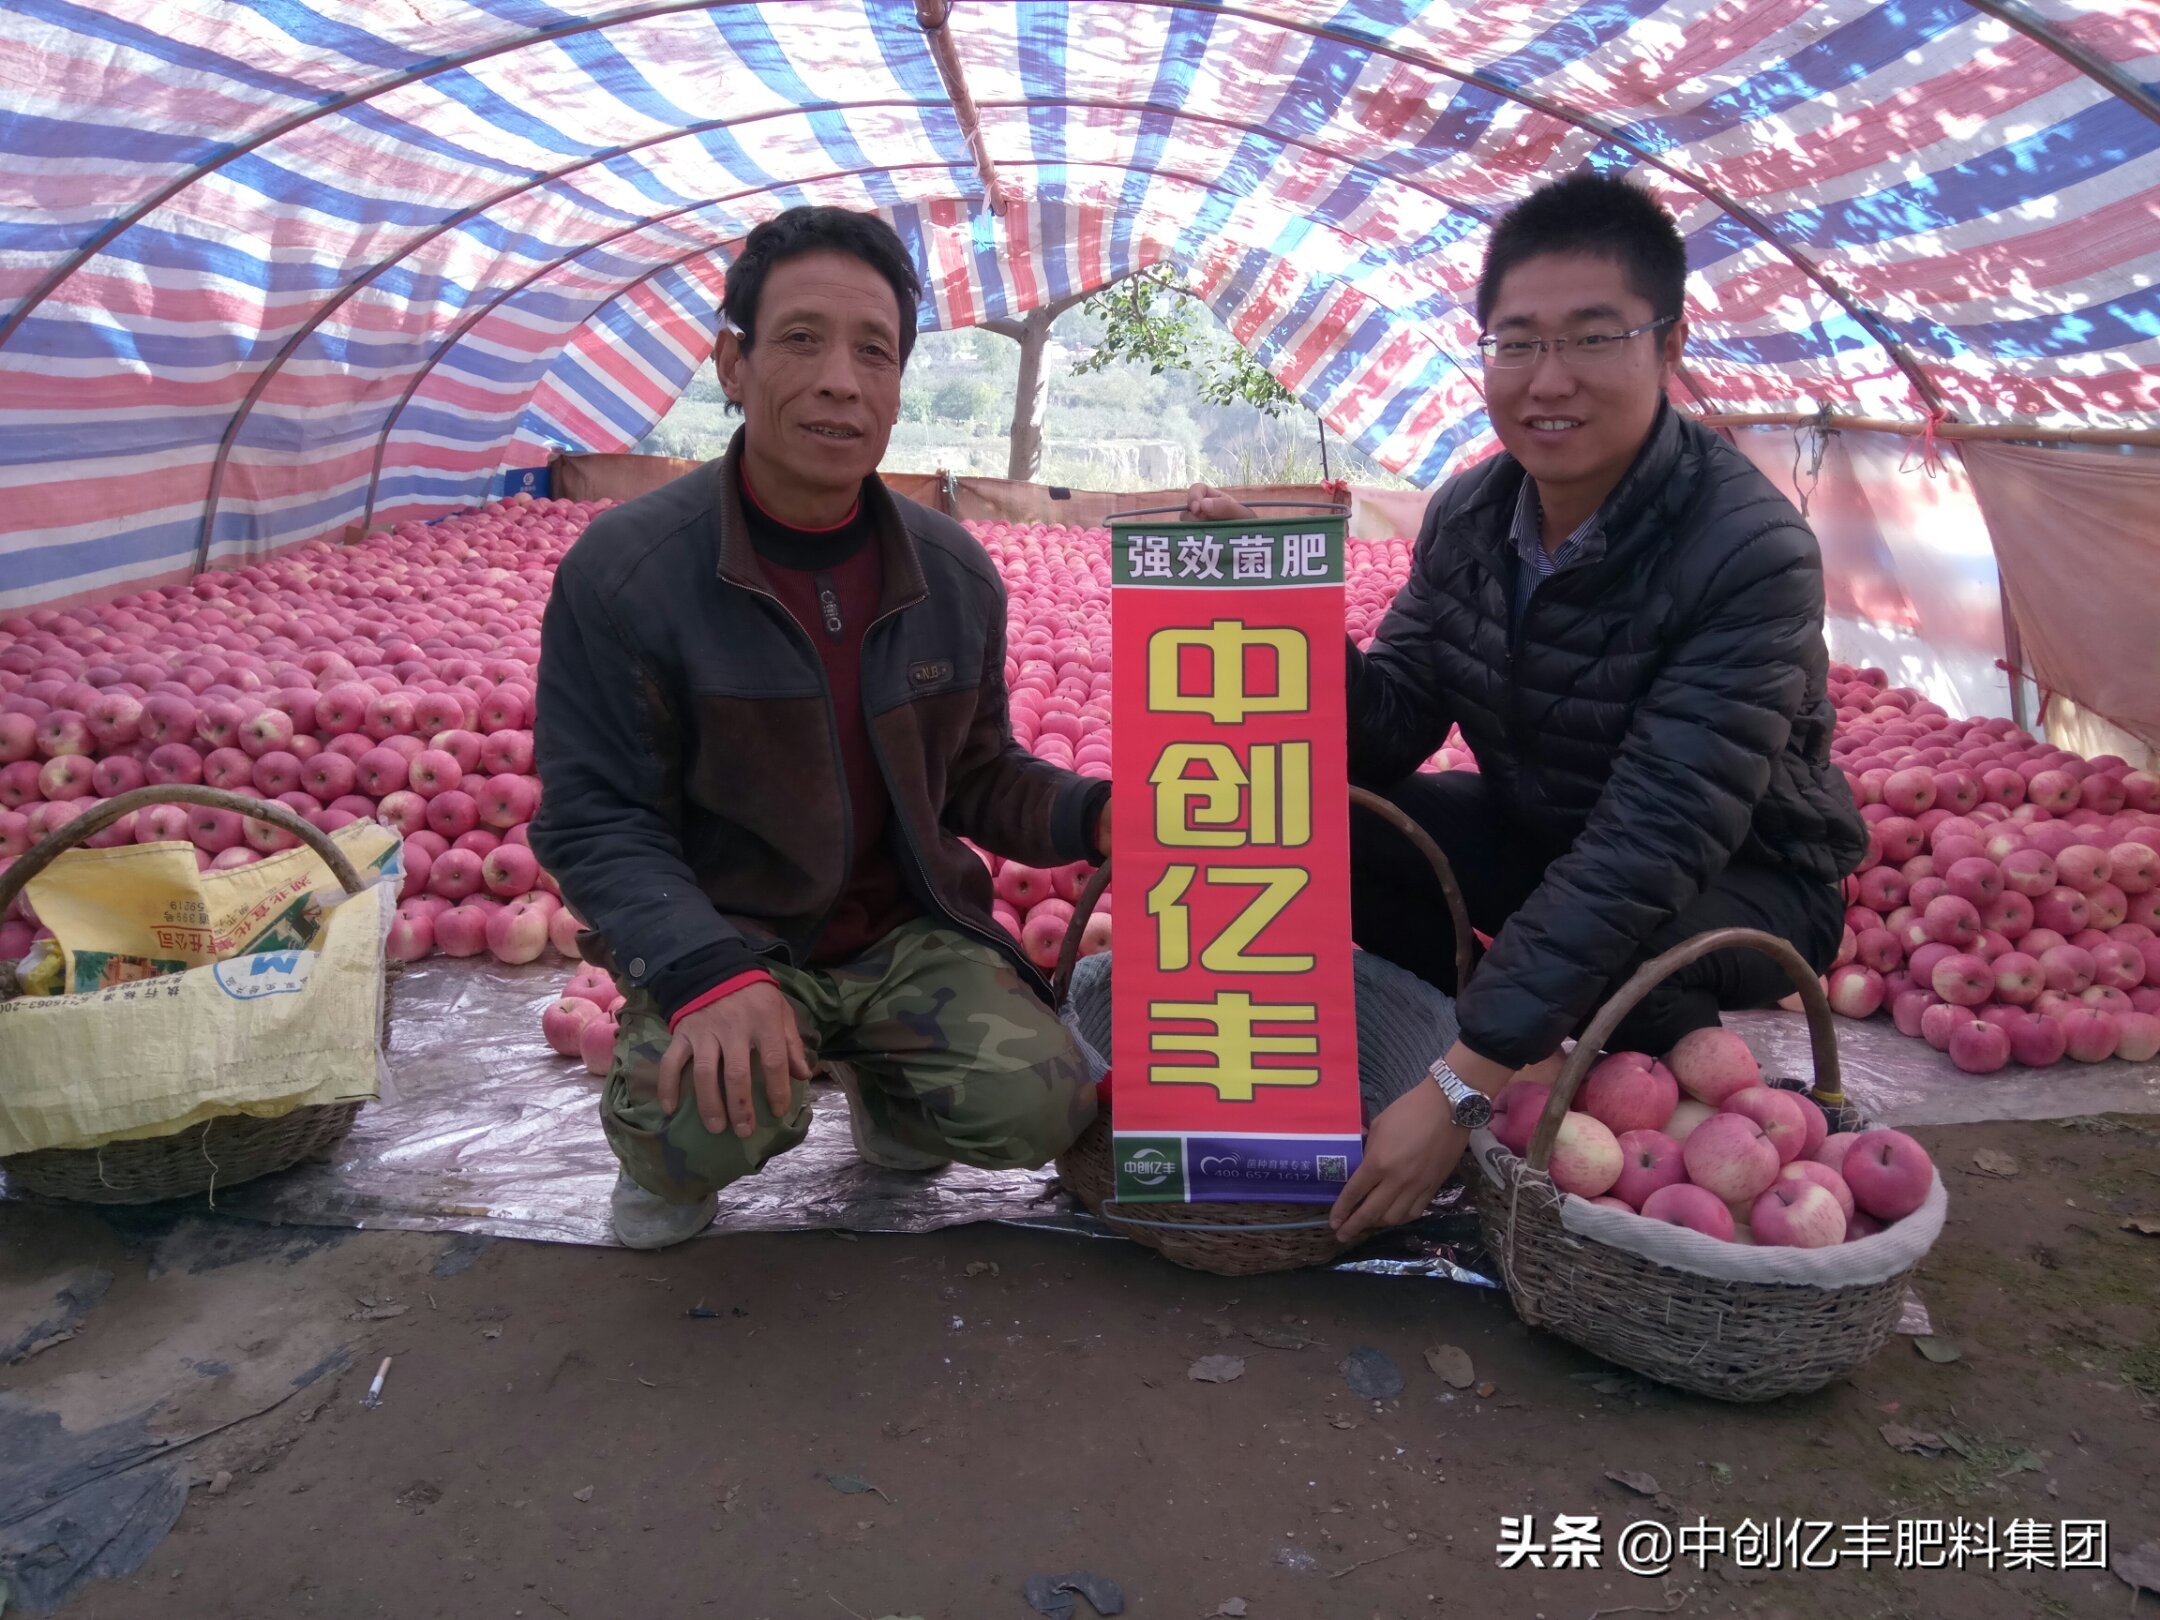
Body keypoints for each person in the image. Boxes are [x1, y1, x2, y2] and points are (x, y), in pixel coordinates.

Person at [1186, 173, 1867, 1244]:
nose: (1549, 380)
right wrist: (1275, 618)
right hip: (1547, 835)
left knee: (1626, 972)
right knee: (1335, 826)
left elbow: (1652, 843)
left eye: (1592, 339)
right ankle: (1481, 1036)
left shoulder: (1748, 553)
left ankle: (1532, 1065)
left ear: (1666, 345)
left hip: (1742, 878)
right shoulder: (1470, 512)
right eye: (1517, 343)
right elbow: (1391, 725)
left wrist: (1466, 1084)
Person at [533, 206, 1108, 1251]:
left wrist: (1096, 816)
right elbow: (593, 820)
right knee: (687, 1135)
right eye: (802, 340)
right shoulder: (628, 575)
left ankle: (888, 1083)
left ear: (897, 382)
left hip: (906, 939)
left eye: (874, 352)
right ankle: (681, 1126)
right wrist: (704, 968)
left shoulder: (952, 571)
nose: (842, 379)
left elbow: (976, 775)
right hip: (735, 932)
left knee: (1039, 1104)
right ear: (734, 365)